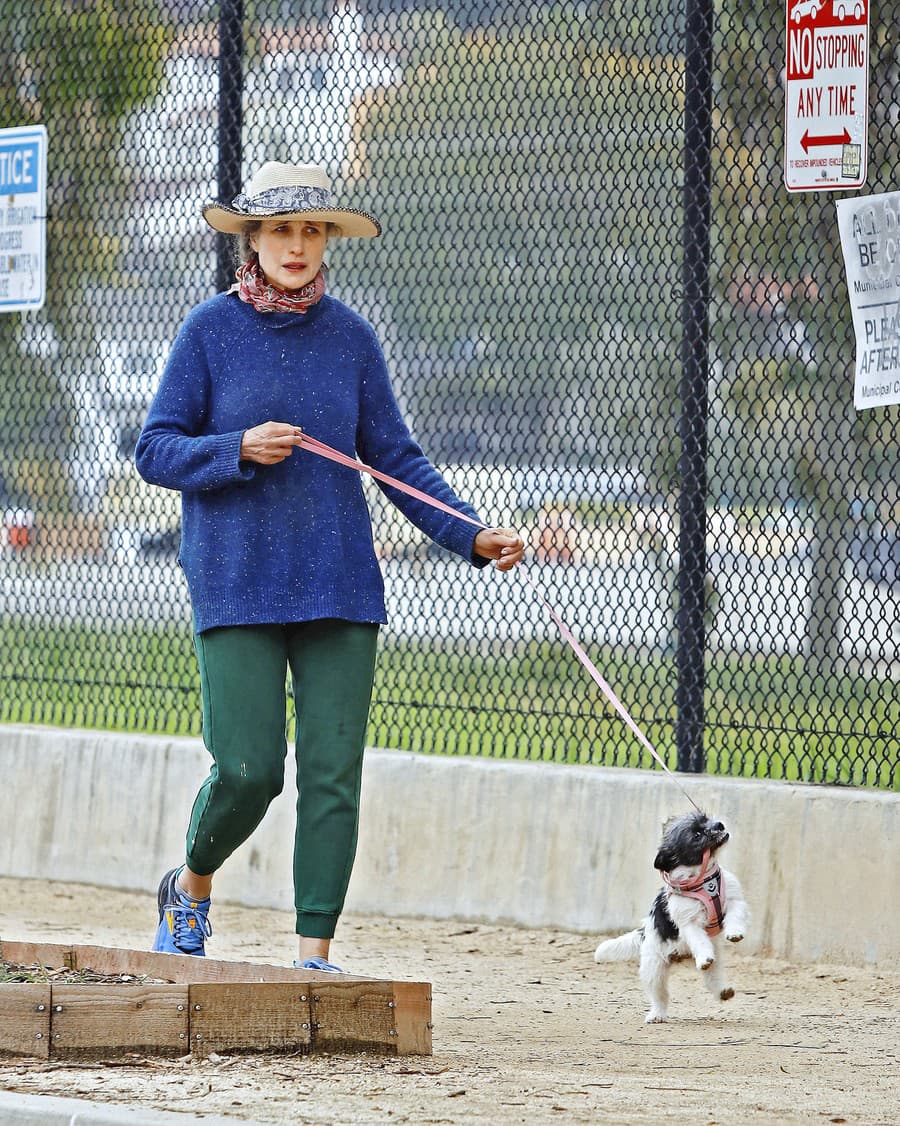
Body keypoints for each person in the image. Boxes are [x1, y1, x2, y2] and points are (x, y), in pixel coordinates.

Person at [135, 161, 524, 971]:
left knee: (333, 775)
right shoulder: (207, 332)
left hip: (340, 582)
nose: (298, 244)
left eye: (313, 229)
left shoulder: (352, 338)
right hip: (236, 581)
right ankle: (193, 885)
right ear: (252, 238)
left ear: (328, 241)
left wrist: (470, 534)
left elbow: (395, 458)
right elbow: (155, 450)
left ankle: (314, 957)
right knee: (248, 769)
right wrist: (233, 448)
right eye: (282, 228)